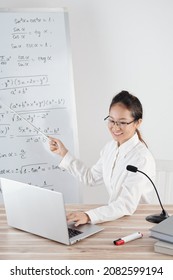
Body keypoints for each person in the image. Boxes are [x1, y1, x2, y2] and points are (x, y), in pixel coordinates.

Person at [49, 90, 156, 226]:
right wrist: (63, 153)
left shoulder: (141, 158)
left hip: (137, 223)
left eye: (122, 122)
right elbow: (91, 178)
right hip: (115, 219)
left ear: (137, 123)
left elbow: (126, 204)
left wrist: (89, 216)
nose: (115, 127)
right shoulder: (110, 148)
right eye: (111, 120)